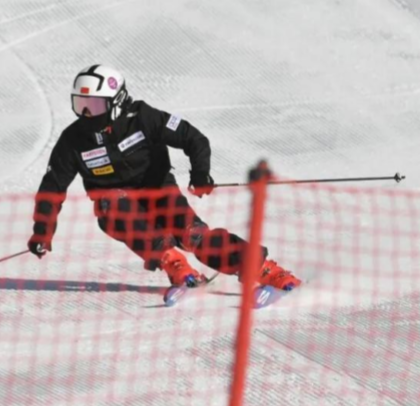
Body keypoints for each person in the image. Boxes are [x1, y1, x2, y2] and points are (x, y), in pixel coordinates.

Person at [27, 64, 300, 293]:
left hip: (158, 191)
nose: (86, 114)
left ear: (117, 102)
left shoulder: (143, 117)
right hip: (116, 205)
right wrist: (42, 231)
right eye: (81, 105)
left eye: (94, 106)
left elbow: (193, 138)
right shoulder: (73, 140)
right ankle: (174, 263)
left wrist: (200, 173)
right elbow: (52, 188)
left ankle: (263, 269)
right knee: (112, 204)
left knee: (193, 234)